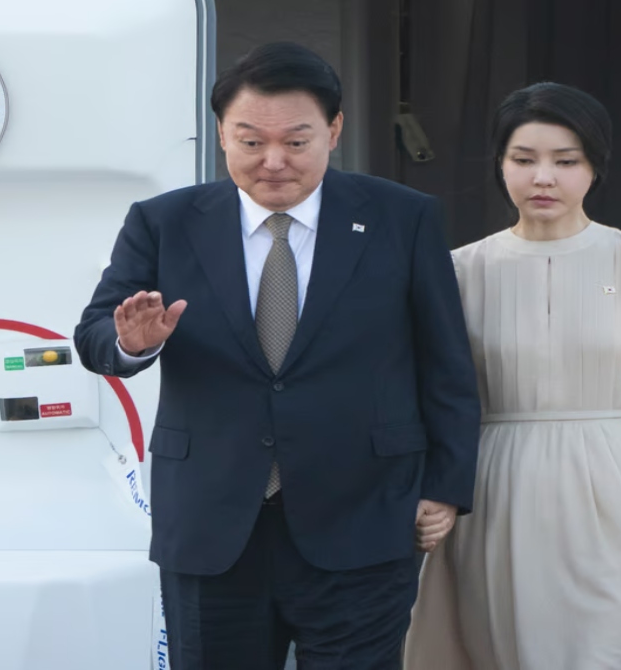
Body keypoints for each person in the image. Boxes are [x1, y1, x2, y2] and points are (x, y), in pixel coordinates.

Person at [73, 41, 480, 670]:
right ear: (221, 135)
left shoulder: (403, 218)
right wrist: (132, 342)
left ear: (334, 130)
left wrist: (446, 488)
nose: (273, 162)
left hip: (365, 517)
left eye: (296, 141)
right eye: (250, 141)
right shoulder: (165, 221)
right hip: (212, 524)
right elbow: (96, 333)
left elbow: (445, 362)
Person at [403, 82, 621, 669]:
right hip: (494, 489)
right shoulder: (459, 270)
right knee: (503, 652)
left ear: (595, 167)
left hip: (613, 488)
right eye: (524, 160)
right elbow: (431, 392)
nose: (543, 177)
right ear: (501, 165)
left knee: (602, 653)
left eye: (565, 161)